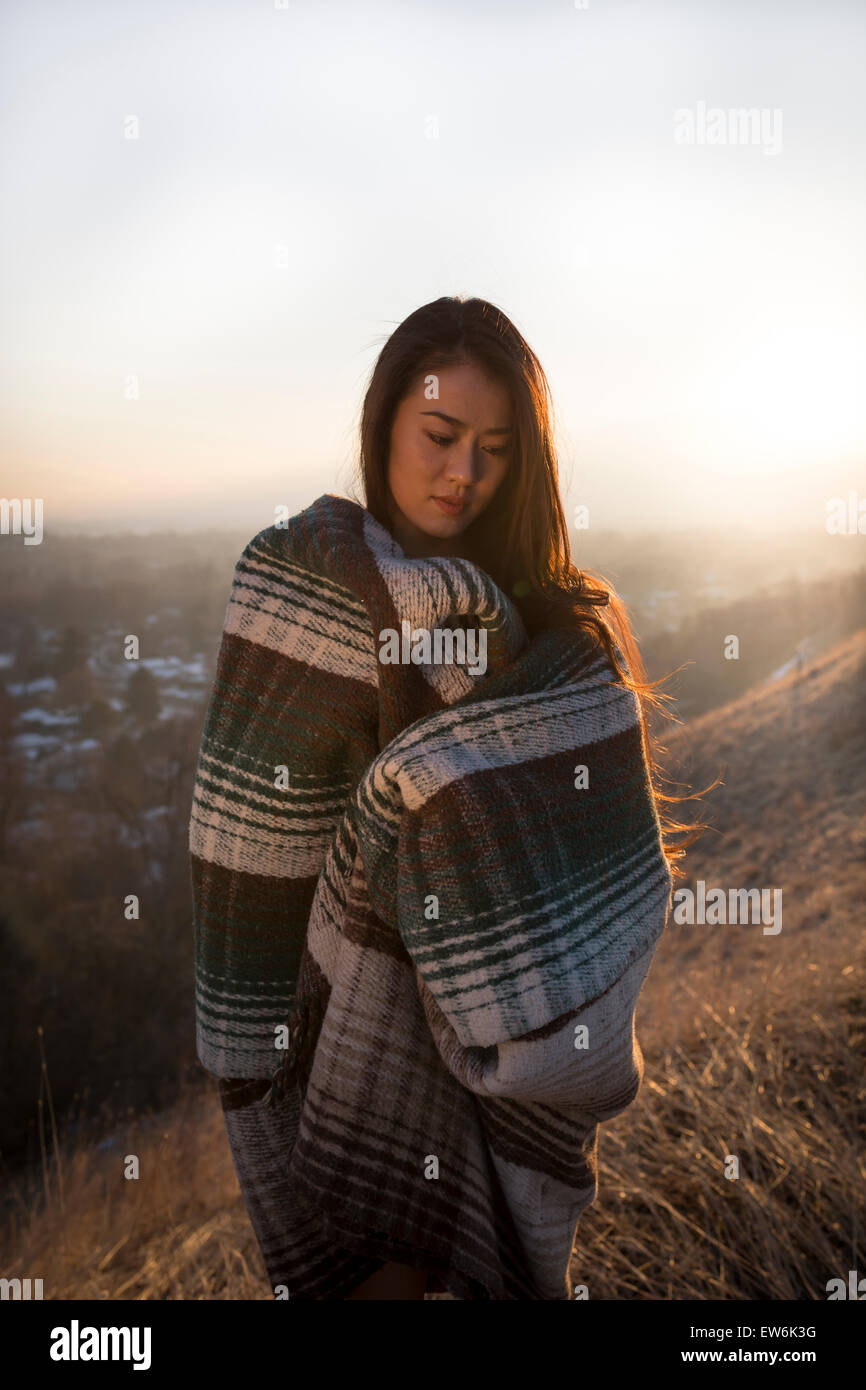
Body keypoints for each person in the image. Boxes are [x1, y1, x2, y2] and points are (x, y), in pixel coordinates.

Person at [191, 295, 699, 1300]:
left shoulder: (549, 628)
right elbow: (239, 855)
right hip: (329, 1044)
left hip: (487, 1056)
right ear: (383, 421)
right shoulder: (296, 587)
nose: (462, 471)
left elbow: (599, 858)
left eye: (496, 449)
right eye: (438, 435)